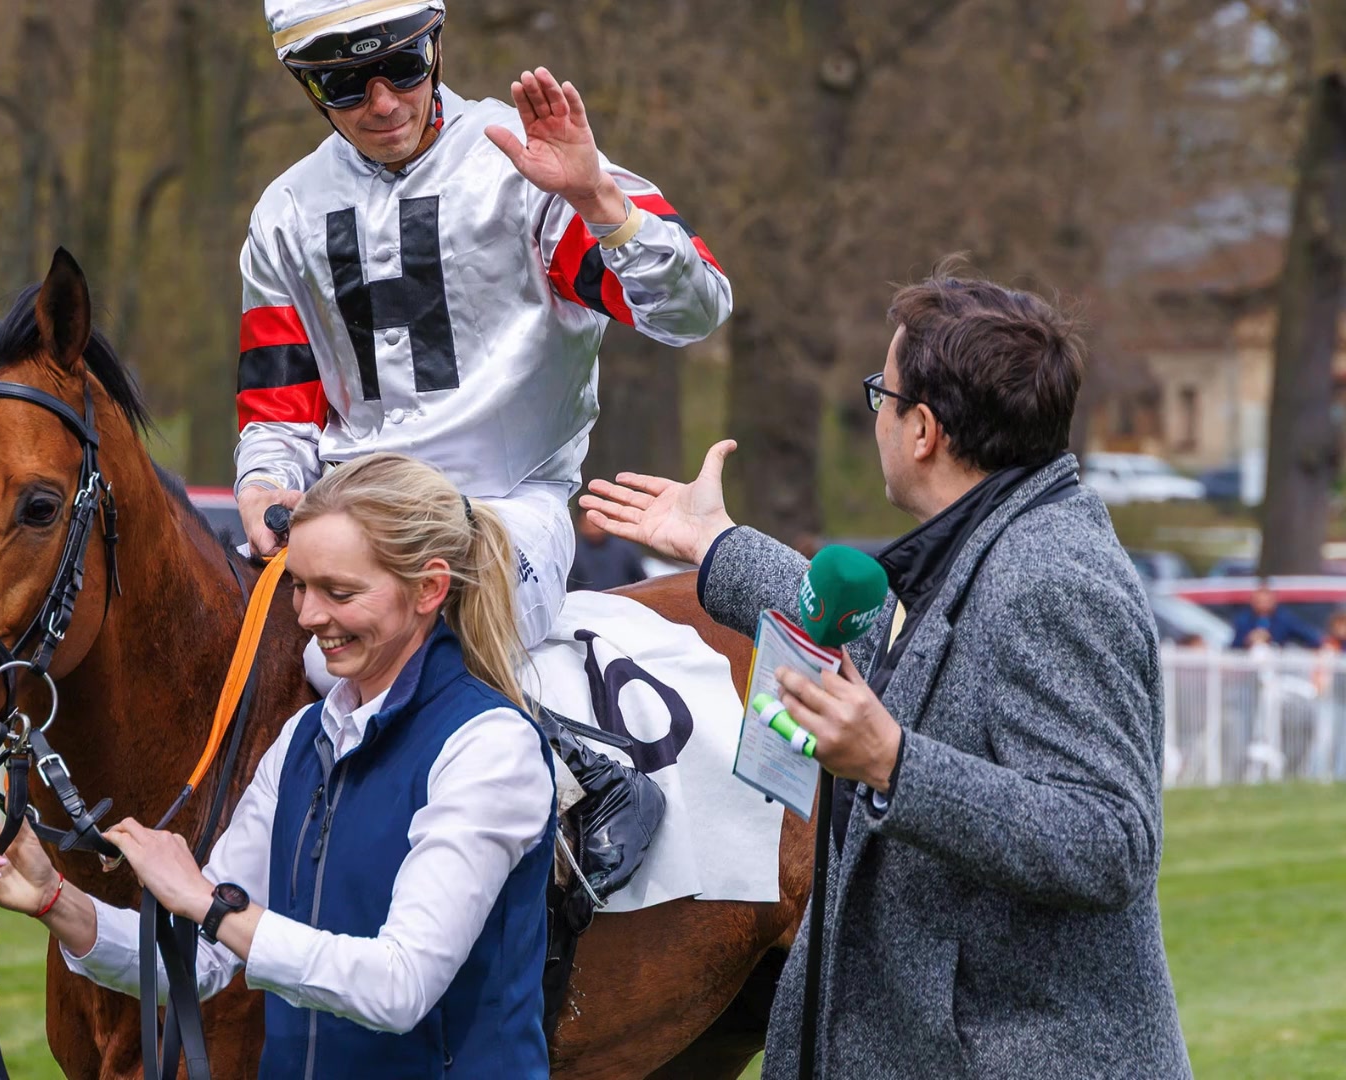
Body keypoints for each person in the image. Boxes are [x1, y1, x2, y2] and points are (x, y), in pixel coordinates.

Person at [581, 269, 1190, 1077]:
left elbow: (1110, 840)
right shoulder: (994, 538)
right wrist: (715, 545)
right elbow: (888, 650)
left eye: (883, 395)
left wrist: (894, 765)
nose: (878, 419)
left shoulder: (1053, 577)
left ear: (924, 431)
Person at [0, 453, 556, 1077]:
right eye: (299, 585)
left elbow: (398, 987)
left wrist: (207, 901)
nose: (308, 617)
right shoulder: (301, 738)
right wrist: (56, 902)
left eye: (339, 592)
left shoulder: (488, 748)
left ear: (429, 588)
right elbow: (203, 963)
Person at [232, 0, 731, 655]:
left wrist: (598, 200)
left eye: (402, 67)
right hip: (347, 520)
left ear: (436, 47)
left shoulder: (523, 164)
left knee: (419, 634)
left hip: (508, 512)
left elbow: (693, 310)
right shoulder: (284, 213)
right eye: (345, 84)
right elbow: (278, 412)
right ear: (306, 86)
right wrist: (263, 485)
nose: (383, 104)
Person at [566, 504, 646, 592]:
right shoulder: (573, 552)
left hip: (622, 601)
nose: (592, 528)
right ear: (580, 524)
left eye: (595, 523)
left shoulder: (624, 549)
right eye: (588, 523)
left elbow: (642, 581)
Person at [1229, 583, 1323, 649]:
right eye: (1259, 601)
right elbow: (1233, 648)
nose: (1263, 605)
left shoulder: (1284, 619)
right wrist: (1248, 640)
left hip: (1278, 667)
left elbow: (1309, 636)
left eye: (1266, 601)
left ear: (1274, 601)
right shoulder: (1243, 620)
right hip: (1248, 671)